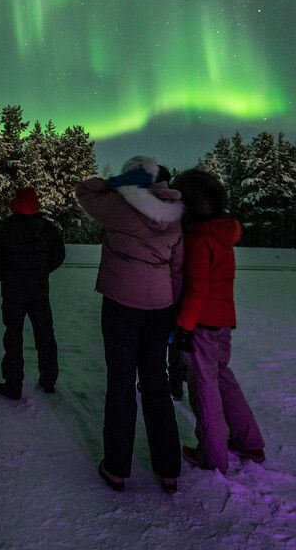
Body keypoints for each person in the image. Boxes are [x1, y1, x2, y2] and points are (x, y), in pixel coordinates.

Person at [77, 156, 184, 493]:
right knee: (156, 382)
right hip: (160, 304)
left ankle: (117, 467)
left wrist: (119, 181)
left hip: (121, 303)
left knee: (121, 382)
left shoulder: (119, 206)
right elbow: (178, 268)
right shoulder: (176, 214)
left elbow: (84, 189)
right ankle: (168, 468)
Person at [172, 169, 265, 472]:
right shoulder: (222, 234)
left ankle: (212, 456)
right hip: (223, 321)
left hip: (200, 324)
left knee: (205, 389)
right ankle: (248, 441)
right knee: (224, 380)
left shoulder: (200, 239)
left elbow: (197, 289)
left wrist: (184, 327)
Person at [0, 186, 66, 399]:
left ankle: (13, 383)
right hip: (39, 290)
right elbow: (59, 255)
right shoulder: (48, 229)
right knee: (45, 334)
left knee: (13, 336)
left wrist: (7, 276)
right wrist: (42, 271)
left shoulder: (4, 229)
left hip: (13, 291)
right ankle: (48, 379)